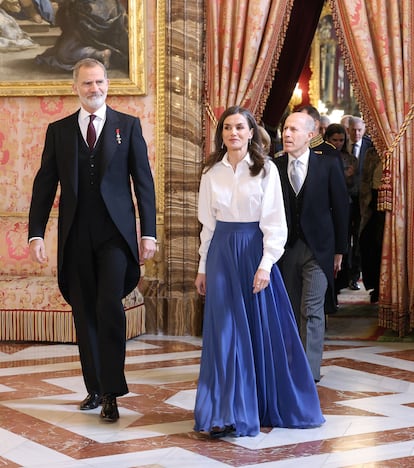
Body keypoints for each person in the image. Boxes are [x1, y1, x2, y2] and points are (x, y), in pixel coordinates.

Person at [28, 58, 157, 422]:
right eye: (87, 83)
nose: (94, 88)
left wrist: (148, 233)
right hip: (75, 236)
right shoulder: (59, 130)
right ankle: (94, 388)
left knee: (108, 308)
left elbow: (143, 184)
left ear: (107, 84)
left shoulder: (127, 126)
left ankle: (113, 391)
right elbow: (44, 185)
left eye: (100, 82)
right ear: (76, 87)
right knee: (83, 312)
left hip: (115, 236)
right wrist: (36, 232)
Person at [194, 105, 325, 439]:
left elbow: (275, 223)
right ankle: (225, 412)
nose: (233, 133)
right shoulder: (211, 172)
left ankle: (257, 406)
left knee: (258, 333)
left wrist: (266, 264)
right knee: (225, 335)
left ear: (251, 132)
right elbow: (207, 227)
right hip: (221, 254)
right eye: (227, 128)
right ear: (221, 134)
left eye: (240, 127)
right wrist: (202, 268)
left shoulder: (266, 169)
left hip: (254, 253)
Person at [273, 112, 349, 382]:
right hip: (285, 249)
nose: (287, 134)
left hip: (319, 249)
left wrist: (340, 249)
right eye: (285, 129)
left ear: (310, 134)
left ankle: (308, 371)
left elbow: (341, 208)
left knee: (312, 309)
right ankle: (291, 366)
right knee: (291, 309)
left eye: (293, 129)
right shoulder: (275, 166)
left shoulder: (328, 164)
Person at [35, 0, 128, 72]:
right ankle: (99, 53)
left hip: (92, 14)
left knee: (64, 55)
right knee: (62, 52)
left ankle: (100, 54)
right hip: (101, 12)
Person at [325, 123, 357, 298]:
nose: (337, 143)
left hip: (346, 203)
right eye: (334, 140)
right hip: (326, 207)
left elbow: (353, 185)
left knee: (344, 242)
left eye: (341, 140)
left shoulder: (348, 158)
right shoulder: (321, 156)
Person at [347, 115, 373, 290]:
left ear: (363, 131)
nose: (356, 133)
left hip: (363, 201)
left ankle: (355, 275)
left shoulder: (369, 148)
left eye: (359, 130)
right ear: (348, 130)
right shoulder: (340, 146)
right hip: (345, 200)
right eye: (353, 130)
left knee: (358, 238)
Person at [359, 146, 384, 303]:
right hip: (372, 204)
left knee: (382, 245)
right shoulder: (372, 152)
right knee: (368, 242)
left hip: (391, 205)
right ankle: (375, 285)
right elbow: (366, 179)